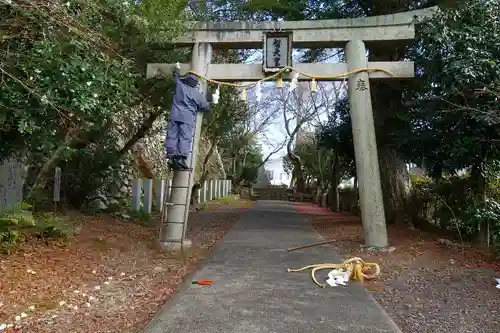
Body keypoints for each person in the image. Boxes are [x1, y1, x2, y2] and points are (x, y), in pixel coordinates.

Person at [165, 67, 211, 170]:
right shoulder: (197, 94)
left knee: (172, 136)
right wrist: (210, 100)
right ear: (195, 84)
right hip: (187, 119)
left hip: (175, 116)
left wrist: (177, 71)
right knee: (184, 138)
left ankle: (171, 156)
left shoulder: (179, 86)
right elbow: (206, 107)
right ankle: (180, 158)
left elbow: (175, 78)